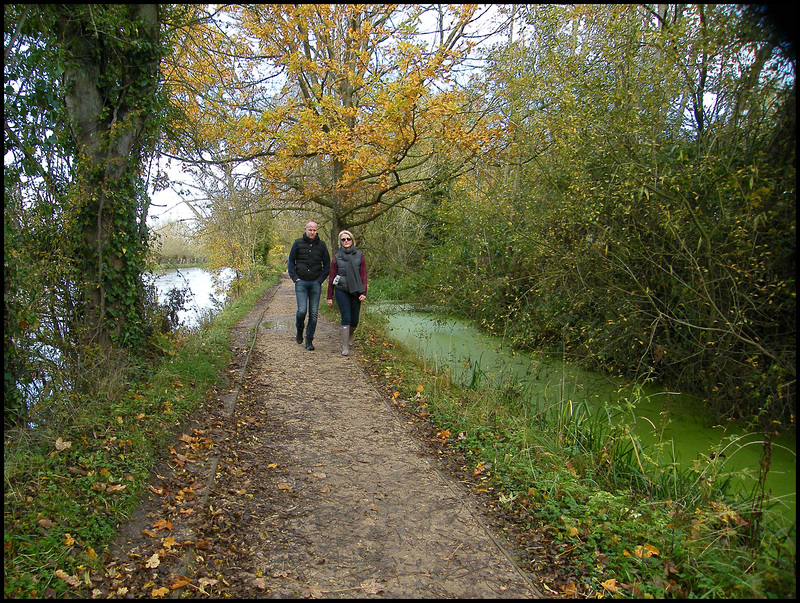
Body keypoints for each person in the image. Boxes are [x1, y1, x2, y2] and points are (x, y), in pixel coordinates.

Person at [287, 221, 330, 351]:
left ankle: (309, 339)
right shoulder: (297, 243)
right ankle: (299, 329)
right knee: (301, 311)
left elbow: (327, 264)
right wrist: (295, 278)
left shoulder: (322, 246)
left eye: (314, 230)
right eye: (310, 230)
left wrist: (320, 280)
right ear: (305, 229)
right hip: (301, 282)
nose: (312, 232)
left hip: (315, 283)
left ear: (317, 231)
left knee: (314, 313)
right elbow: (290, 262)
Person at [327, 229, 367, 356]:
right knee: (346, 318)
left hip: (356, 291)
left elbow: (363, 275)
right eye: (343, 239)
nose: (346, 241)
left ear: (352, 240)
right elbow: (332, 277)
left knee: (354, 320)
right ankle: (345, 347)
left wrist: (363, 292)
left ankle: (350, 335)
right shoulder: (336, 257)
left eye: (348, 239)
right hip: (341, 290)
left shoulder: (359, 255)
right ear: (340, 242)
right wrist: (329, 296)